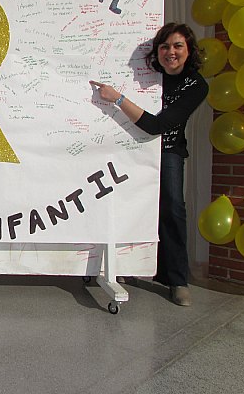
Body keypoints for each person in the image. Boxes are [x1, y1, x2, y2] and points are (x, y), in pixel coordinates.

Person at [90, 22, 208, 307]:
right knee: (127, 204)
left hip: (167, 151)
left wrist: (118, 98)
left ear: (189, 50)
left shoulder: (196, 86)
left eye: (178, 46)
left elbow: (157, 126)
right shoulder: (147, 76)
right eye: (165, 46)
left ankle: (177, 280)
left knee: (172, 208)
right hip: (129, 148)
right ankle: (125, 265)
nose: (171, 52)